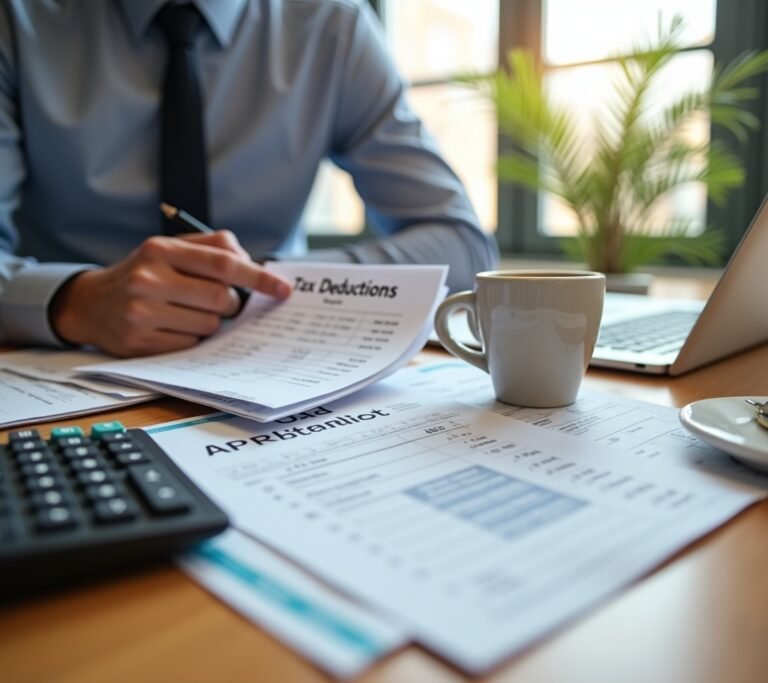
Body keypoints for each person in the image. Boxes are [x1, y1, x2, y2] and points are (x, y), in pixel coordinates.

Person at [0, 0, 498, 357]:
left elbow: (462, 247)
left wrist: (265, 280)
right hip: (66, 366)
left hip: (269, 370)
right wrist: (74, 300)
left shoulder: (332, 29)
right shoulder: (15, 24)